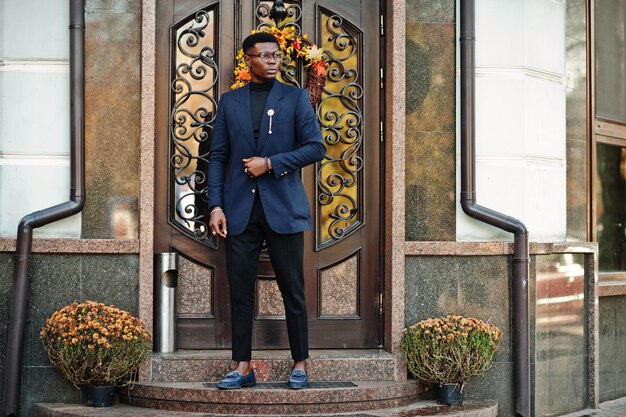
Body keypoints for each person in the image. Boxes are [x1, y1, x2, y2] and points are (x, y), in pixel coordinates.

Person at [207, 32, 325, 390]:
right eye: (265, 55)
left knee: (293, 289)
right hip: (240, 209)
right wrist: (215, 205)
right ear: (248, 61)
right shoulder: (230, 103)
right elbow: (218, 157)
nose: (273, 60)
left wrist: (270, 163)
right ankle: (243, 367)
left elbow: (315, 148)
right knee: (240, 290)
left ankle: (300, 363)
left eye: (276, 55)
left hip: (283, 209)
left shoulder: (295, 99)